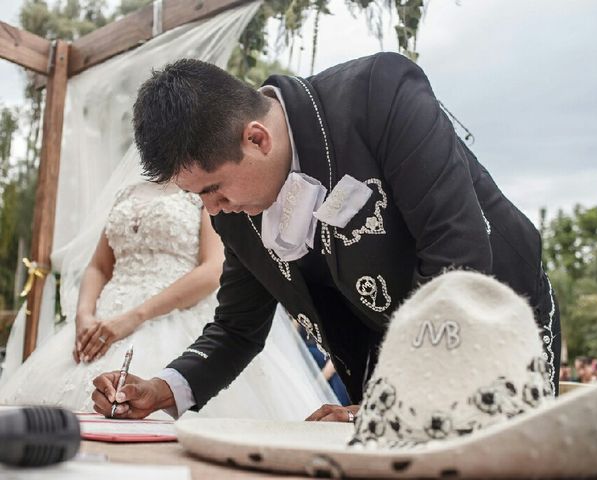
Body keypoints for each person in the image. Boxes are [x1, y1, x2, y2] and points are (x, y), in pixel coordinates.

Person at [91, 52, 561, 422]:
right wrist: (162, 389)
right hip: (384, 363)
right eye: (200, 198)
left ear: (257, 139)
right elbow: (238, 327)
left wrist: (394, 402)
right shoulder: (234, 212)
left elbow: (457, 252)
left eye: (213, 190)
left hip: (493, 319)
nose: (213, 211)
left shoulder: (381, 93)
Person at [0, 181, 336, 418]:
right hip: (103, 322)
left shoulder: (202, 189)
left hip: (172, 316)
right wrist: (84, 315)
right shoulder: (125, 193)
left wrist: (136, 316)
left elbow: (213, 268)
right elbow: (99, 267)